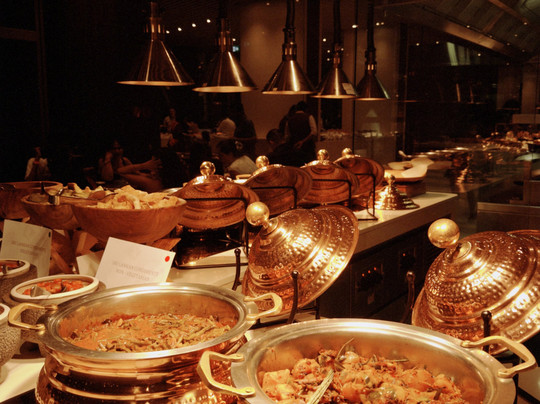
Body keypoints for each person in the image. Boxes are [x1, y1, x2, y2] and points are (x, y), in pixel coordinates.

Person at [117, 148, 189, 192]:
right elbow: (141, 175)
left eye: (151, 162)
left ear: (159, 166)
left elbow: (120, 171)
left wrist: (143, 165)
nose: (149, 163)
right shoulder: (174, 178)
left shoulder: (152, 183)